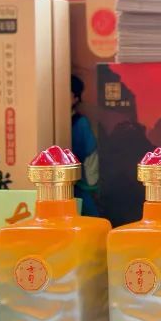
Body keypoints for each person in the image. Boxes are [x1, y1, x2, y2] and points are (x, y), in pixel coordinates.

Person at [71, 75, 100, 216]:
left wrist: (91, 184)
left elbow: (91, 153)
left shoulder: (81, 123)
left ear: (75, 98)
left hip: (80, 183)